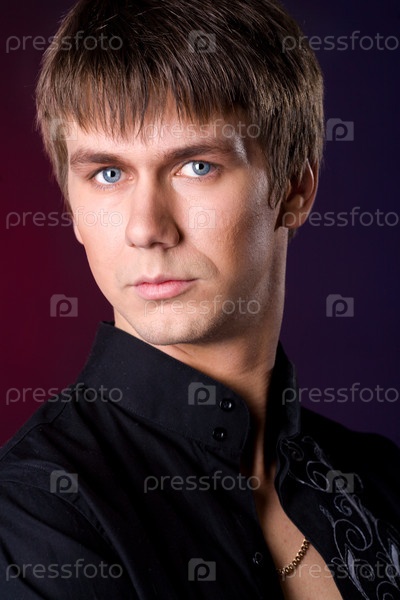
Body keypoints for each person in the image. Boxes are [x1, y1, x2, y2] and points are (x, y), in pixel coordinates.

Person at [0, 0, 399, 598]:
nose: (146, 228)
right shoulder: (34, 514)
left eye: (196, 166)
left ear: (295, 187)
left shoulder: (381, 479)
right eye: (108, 173)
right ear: (72, 207)